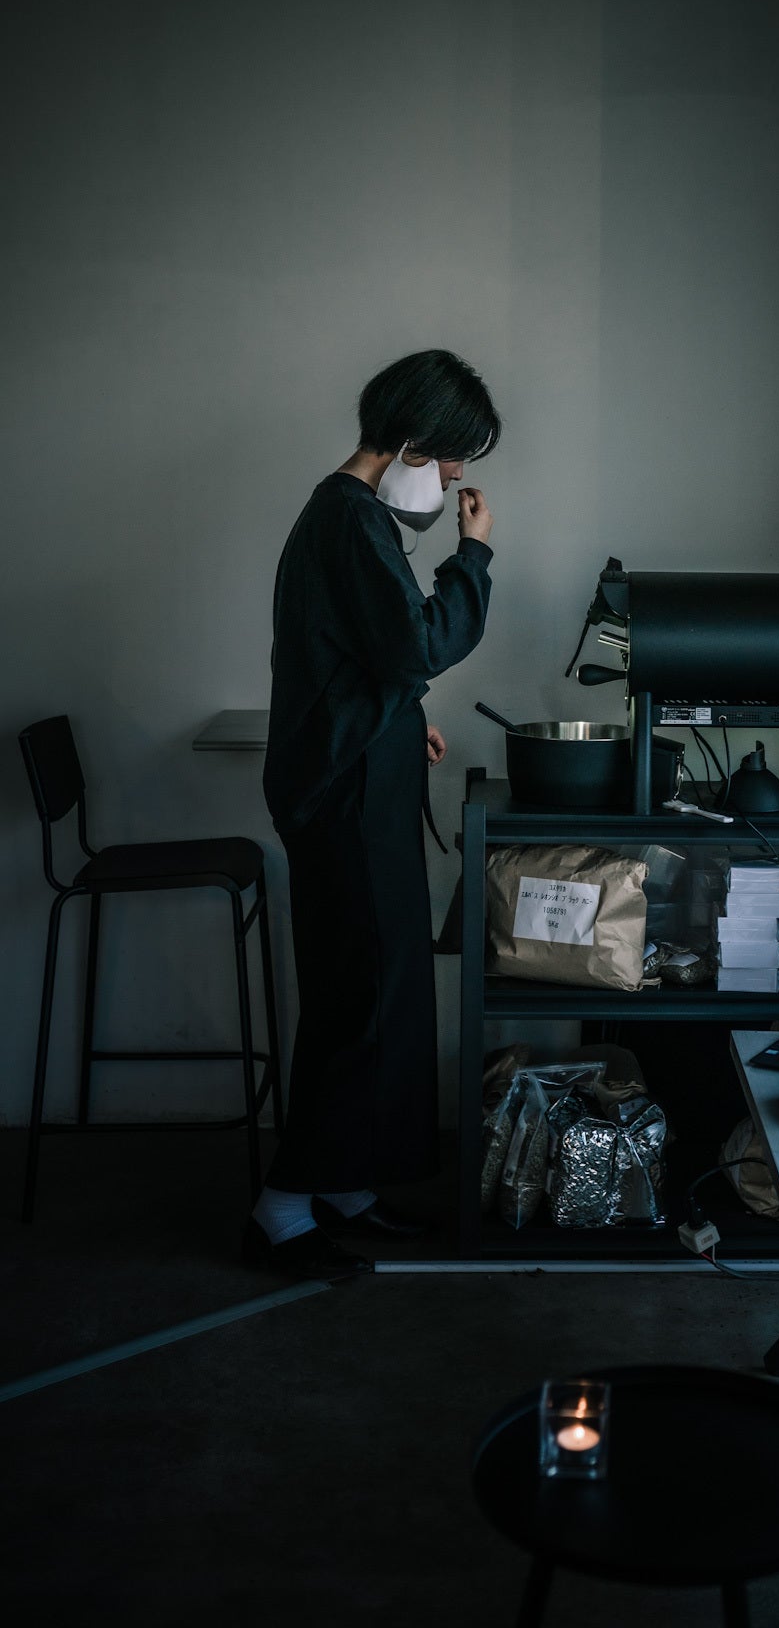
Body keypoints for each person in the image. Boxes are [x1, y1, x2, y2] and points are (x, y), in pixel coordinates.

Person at [245, 349, 499, 1276]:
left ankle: (347, 1184)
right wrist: (474, 555)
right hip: (342, 795)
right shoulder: (349, 519)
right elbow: (417, 642)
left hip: (357, 778)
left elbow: (360, 657)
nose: (458, 475)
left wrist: (402, 717)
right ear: (413, 440)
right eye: (455, 453)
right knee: (360, 997)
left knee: (380, 991)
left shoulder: (349, 515)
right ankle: (282, 1207)